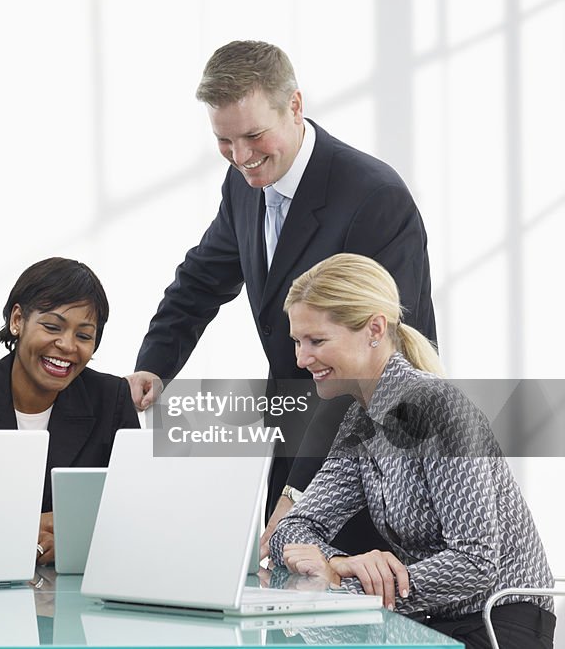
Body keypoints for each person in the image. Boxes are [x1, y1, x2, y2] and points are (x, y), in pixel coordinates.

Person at [126, 40, 437, 556]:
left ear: (295, 106)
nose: (241, 157)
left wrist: (301, 497)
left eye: (252, 136)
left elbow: (378, 363)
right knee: (282, 601)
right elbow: (201, 281)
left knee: (360, 615)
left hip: (376, 452)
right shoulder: (243, 184)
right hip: (292, 429)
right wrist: (154, 368)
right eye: (224, 141)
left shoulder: (373, 198)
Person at [271, 253, 555, 649]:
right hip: (428, 621)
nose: (302, 359)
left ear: (374, 329)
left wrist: (344, 581)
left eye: (317, 341)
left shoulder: (437, 409)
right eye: (298, 342)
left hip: (496, 624)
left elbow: (476, 563)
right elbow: (292, 529)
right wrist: (339, 562)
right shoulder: (361, 422)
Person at [0, 257, 140, 565]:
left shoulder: (111, 399)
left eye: (84, 335)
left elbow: (132, 512)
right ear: (17, 320)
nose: (67, 345)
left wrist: (73, 542)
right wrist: (19, 529)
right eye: (52, 326)